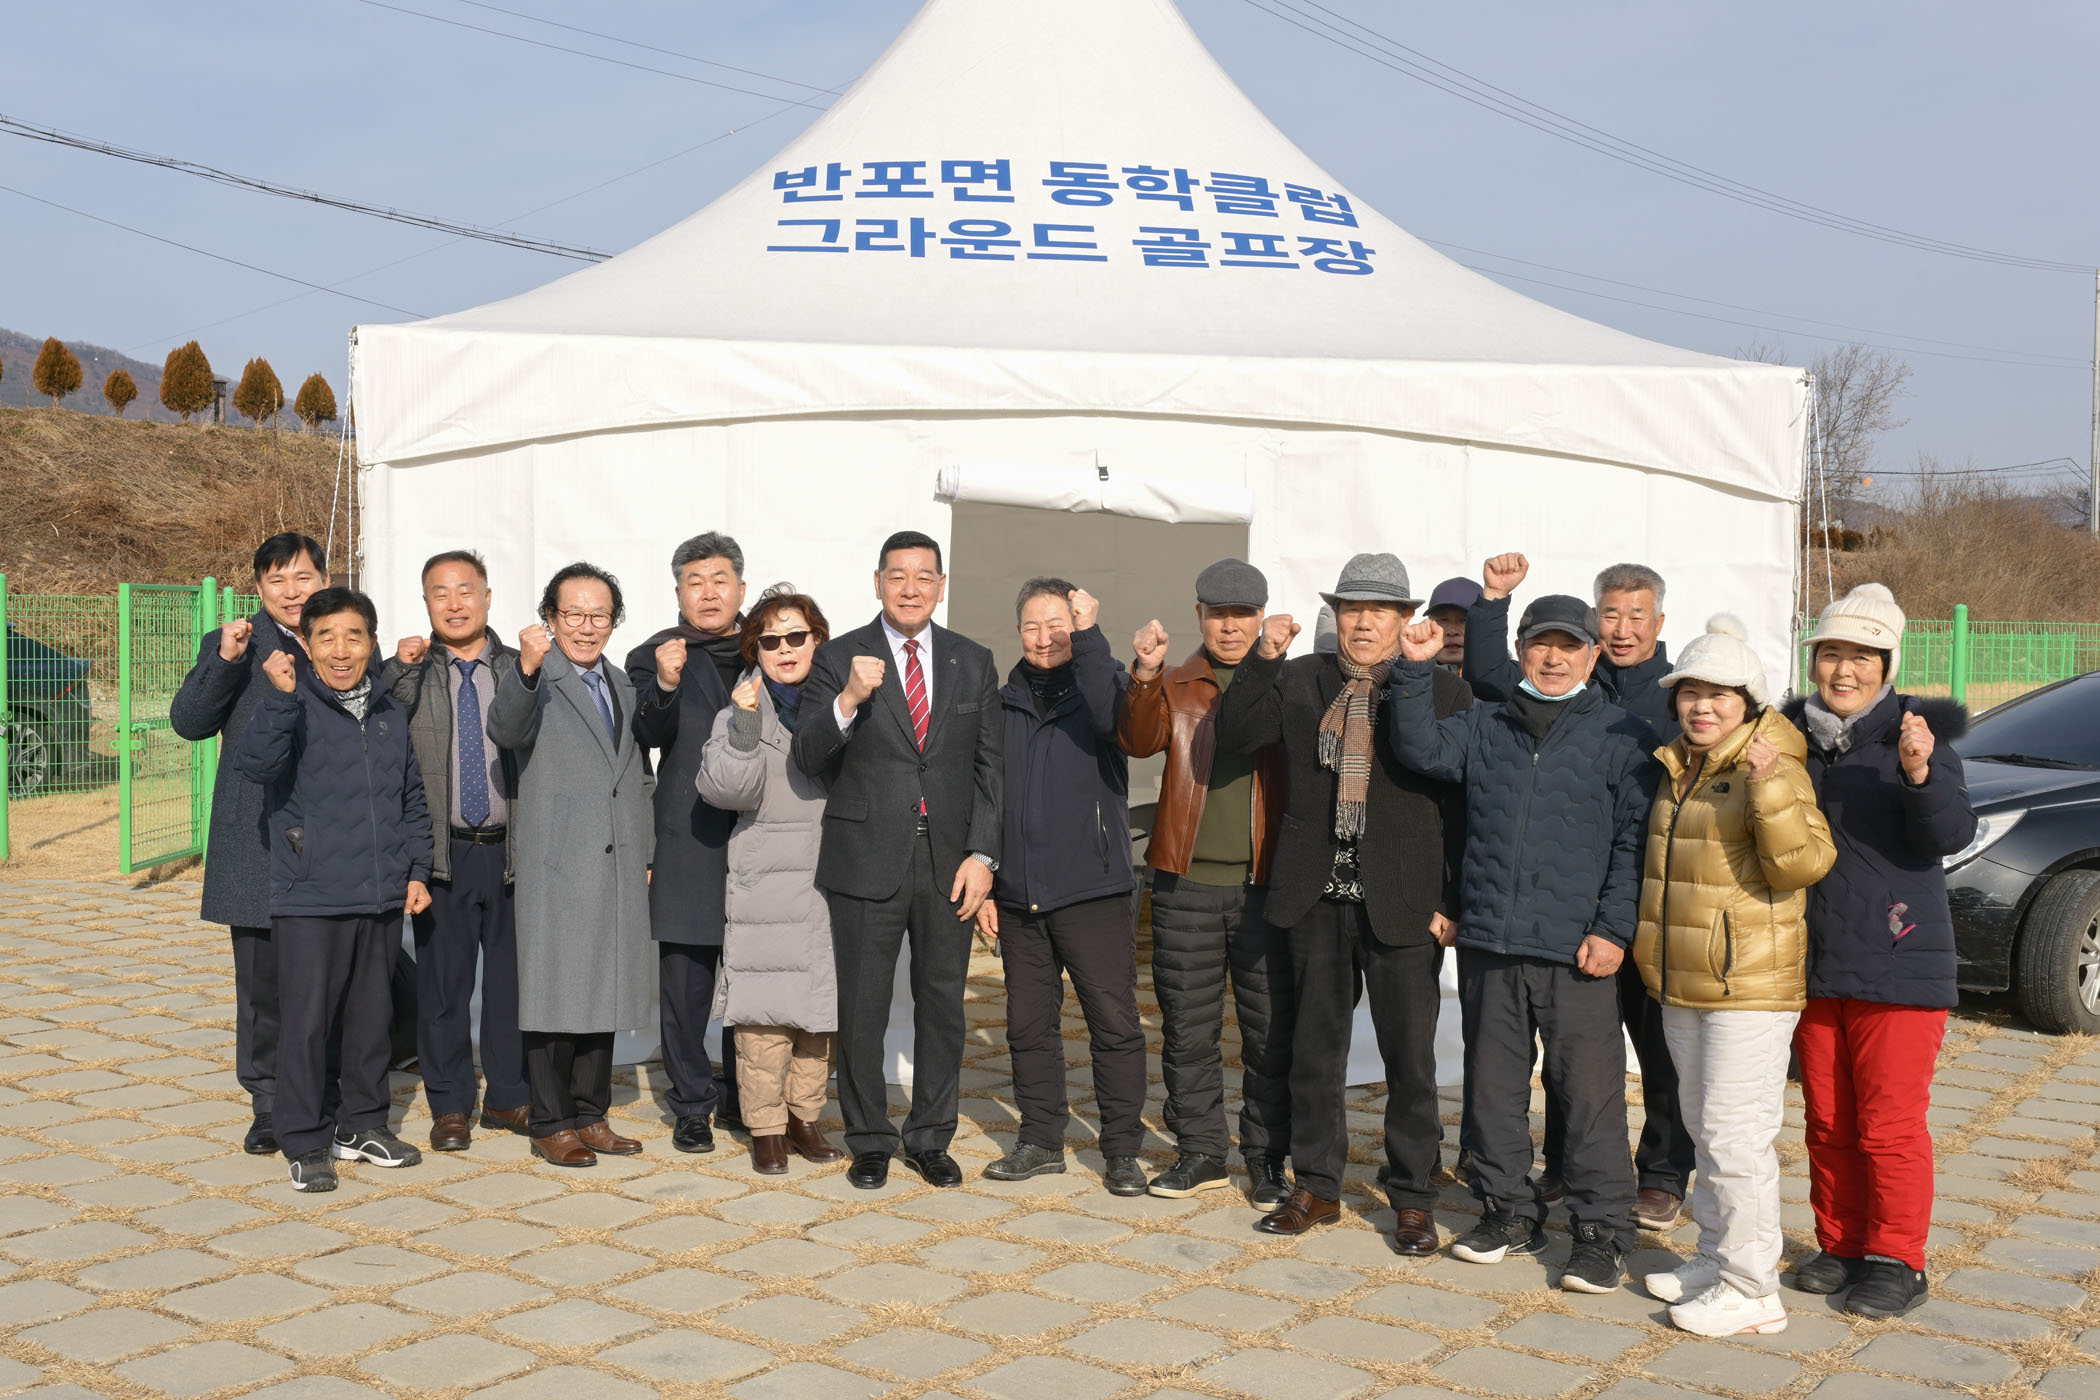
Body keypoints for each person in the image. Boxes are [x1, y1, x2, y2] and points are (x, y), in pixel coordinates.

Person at [1389, 594, 1660, 1293]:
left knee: (1589, 1099)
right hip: (1491, 941)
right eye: (1541, 644)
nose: (1553, 657)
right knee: (1492, 1091)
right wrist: (1413, 672)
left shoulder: (1624, 735)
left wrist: (1613, 929)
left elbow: (1635, 844)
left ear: (1592, 657)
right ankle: (1509, 1210)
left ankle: (1602, 1233)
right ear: (1520, 651)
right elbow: (1420, 749)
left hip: (1576, 951)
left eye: (1569, 647)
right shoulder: (1486, 722)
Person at [1216, 553, 1469, 1254]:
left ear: (1404, 619)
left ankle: (1412, 1197)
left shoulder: (1443, 691)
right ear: (1336, 614)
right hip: (1316, 897)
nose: (1362, 622)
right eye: (1351, 608)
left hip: (1405, 902)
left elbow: (1461, 805)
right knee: (1315, 1054)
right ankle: (1318, 1186)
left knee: (1410, 1060)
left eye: (1378, 610)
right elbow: (1237, 735)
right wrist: (1264, 658)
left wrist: (1451, 898)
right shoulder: (1301, 678)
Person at [1462, 553, 1692, 1231]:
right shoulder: (1552, 685)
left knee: (1654, 1052)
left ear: (1658, 622)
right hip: (1566, 916)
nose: (1623, 628)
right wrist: (1493, 602)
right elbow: (1488, 676)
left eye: (1636, 616)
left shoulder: (1670, 699)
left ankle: (1661, 1174)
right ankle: (1560, 1167)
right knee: (1573, 1059)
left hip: (1643, 907)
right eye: (1611, 615)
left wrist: (1619, 922)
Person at [1631, 618, 1835, 1336]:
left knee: (1734, 1137)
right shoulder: (1686, 763)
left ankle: (1753, 1291)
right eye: (1690, 692)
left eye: (1718, 694)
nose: (1702, 706)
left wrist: (1769, 788)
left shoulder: (1772, 764)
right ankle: (1717, 1260)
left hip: (1748, 985)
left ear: (1748, 702)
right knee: (1704, 1129)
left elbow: (1803, 865)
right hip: (1685, 981)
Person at [1782, 584, 1974, 1319]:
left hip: (1899, 960)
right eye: (1832, 652)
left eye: (1862, 656)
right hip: (1816, 959)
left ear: (1887, 665)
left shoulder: (1916, 737)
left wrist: (1920, 774)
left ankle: (1898, 1260)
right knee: (1827, 1122)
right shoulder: (1792, 740)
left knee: (1888, 1127)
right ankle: (1841, 1244)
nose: (1844, 669)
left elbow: (1949, 834)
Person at [792, 530, 1003, 1190]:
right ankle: (869, 1139)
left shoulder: (973, 660)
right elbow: (807, 754)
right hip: (864, 856)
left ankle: (931, 1137)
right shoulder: (838, 657)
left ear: (940, 586)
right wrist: (848, 700)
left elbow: (990, 767)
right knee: (863, 1006)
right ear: (878, 582)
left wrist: (984, 855)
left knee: (942, 1005)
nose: (911, 588)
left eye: (924, 576)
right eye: (898, 576)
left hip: (949, 861)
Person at [232, 587, 432, 1191]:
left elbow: (411, 797)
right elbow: (255, 766)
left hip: (380, 892)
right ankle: (304, 1139)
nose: (341, 650)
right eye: (326, 637)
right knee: (307, 1023)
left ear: (372, 642)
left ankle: (362, 1124)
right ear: (307, 643)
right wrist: (279, 698)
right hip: (311, 892)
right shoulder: (290, 701)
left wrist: (417, 870)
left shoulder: (389, 711)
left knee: (371, 1018)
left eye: (353, 636)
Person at [1117, 558, 1290, 1207]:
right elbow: (1137, 740)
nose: (1231, 626)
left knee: (1268, 1033)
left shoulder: (1284, 681)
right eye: (1219, 614)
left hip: (1264, 886)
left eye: (1243, 615)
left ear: (1260, 616)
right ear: (1200, 616)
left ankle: (1267, 1160)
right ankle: (1200, 1153)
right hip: (1184, 883)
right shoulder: (1177, 681)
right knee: (1188, 1030)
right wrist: (1144, 674)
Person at [487, 563, 658, 1168]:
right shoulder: (533, 674)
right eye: (573, 614)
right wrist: (527, 669)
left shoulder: (621, 682)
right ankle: (552, 1121)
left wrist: (645, 851)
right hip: (558, 861)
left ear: (614, 620)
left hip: (616, 860)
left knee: (603, 989)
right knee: (554, 995)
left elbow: (636, 774)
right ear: (550, 618)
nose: (587, 627)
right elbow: (504, 729)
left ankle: (591, 1113)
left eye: (599, 615)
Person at [980, 580, 1147, 1196]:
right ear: (1017, 632)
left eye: (1058, 625)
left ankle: (1122, 1150)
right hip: (1019, 894)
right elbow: (985, 796)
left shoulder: (1102, 687)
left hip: (1092, 889)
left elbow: (1115, 722)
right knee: (1028, 1026)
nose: (1044, 637)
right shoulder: (1000, 705)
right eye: (1032, 626)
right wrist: (989, 879)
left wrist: (1091, 637)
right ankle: (1041, 1140)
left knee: (1114, 1024)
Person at [170, 531, 330, 1156]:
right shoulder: (236, 641)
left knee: (328, 975)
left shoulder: (342, 635)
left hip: (331, 832)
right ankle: (268, 1102)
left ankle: (324, 1093)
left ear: (324, 579)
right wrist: (227, 660)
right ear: (258, 587)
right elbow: (189, 723)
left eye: (303, 577)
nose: (291, 592)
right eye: (276, 580)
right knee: (263, 983)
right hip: (258, 835)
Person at [380, 550, 530, 1152]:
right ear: (425, 604)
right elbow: (380, 718)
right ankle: (449, 1105)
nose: (454, 603)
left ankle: (509, 1095)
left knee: (511, 984)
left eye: (465, 590)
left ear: (488, 598)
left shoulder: (522, 669)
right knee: (443, 987)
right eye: (439, 593)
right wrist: (402, 667)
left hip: (513, 852)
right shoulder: (410, 671)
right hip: (444, 854)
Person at [695, 586, 846, 1175]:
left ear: (817, 641)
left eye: (796, 637)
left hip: (832, 878)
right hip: (767, 881)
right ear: (754, 650)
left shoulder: (845, 704)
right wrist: (744, 723)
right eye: (770, 640)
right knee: (763, 1017)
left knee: (819, 1011)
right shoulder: (739, 711)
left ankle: (805, 1117)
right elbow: (727, 790)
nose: (785, 649)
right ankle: (765, 1127)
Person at [627, 534, 748, 1153]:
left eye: (719, 580)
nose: (708, 593)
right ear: (678, 592)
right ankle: (693, 1104)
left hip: (762, 840)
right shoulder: (653, 654)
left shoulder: (773, 647)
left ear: (741, 589)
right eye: (695, 582)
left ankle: (747, 1098)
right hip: (689, 838)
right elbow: (645, 733)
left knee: (753, 977)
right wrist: (667, 683)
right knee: (686, 986)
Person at [1424, 577, 1481, 674]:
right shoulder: (1408, 675)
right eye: (1443, 620)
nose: (1452, 632)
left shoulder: (1505, 678)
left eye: (1465, 621)